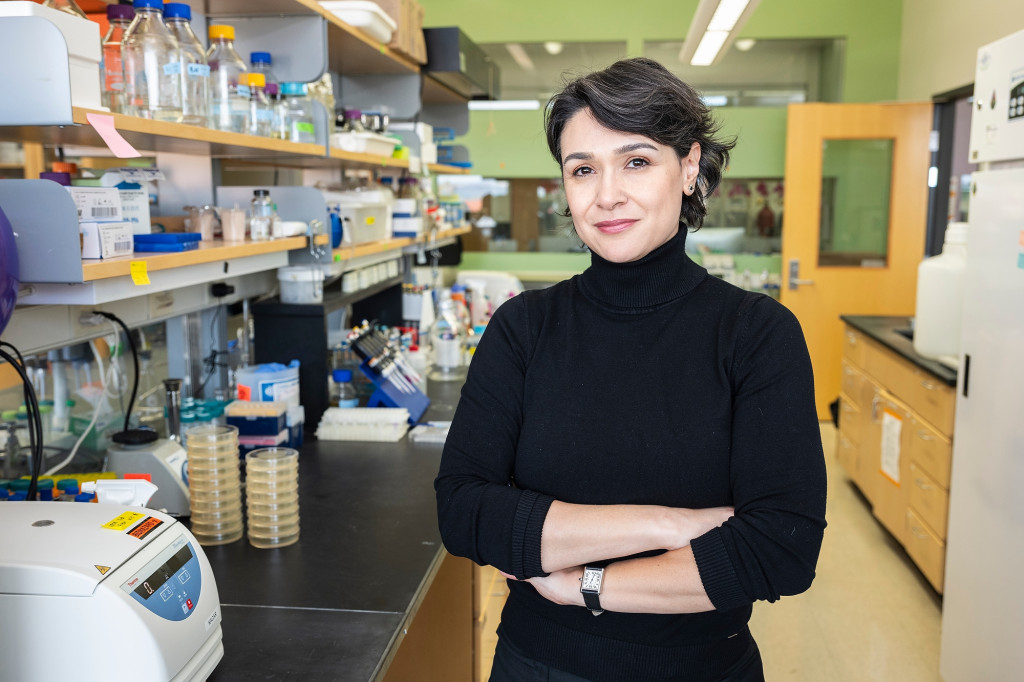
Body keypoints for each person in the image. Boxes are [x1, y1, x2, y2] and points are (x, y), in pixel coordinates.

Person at [435, 57, 827, 682]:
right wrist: (667, 525)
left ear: (690, 166)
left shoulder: (756, 334)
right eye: (583, 169)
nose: (607, 194)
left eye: (637, 161)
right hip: (534, 667)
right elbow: (464, 513)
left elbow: (780, 549)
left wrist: (583, 585)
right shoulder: (523, 329)